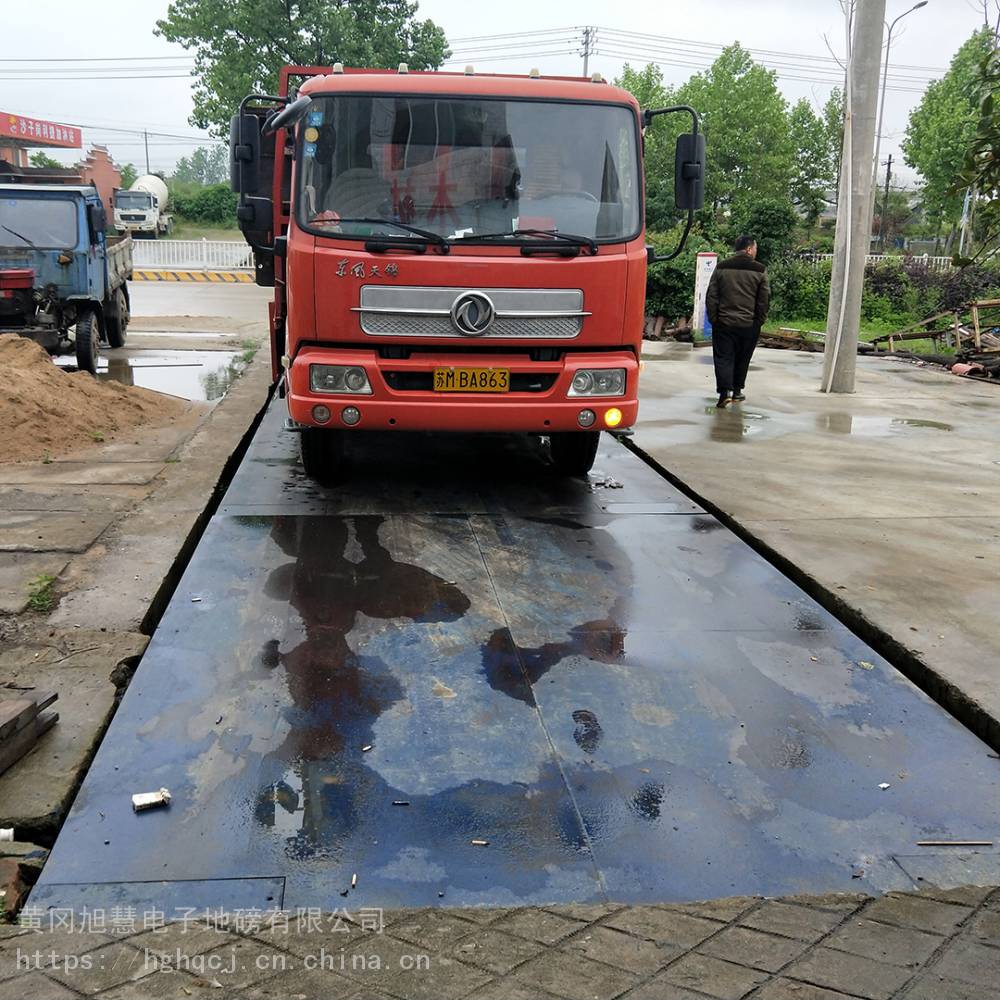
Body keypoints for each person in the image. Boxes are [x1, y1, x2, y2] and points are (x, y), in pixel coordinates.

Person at [705, 236, 770, 408]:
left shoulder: (721, 267)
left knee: (723, 357)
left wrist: (714, 319)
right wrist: (758, 321)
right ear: (749, 249)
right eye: (755, 248)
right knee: (743, 357)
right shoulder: (760, 270)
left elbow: (712, 296)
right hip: (749, 325)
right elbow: (763, 300)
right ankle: (737, 391)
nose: (756, 251)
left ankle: (724, 392)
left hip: (724, 323)